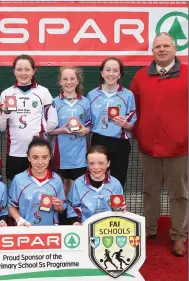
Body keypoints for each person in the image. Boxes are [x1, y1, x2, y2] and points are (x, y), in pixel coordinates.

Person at [130, 32, 188, 257]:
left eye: (166, 46)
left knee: (180, 194)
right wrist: (140, 133)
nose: (162, 50)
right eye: (157, 47)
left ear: (175, 49)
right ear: (152, 51)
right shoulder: (140, 76)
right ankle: (149, 230)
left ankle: (179, 236)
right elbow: (133, 109)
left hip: (180, 147)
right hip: (148, 148)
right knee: (150, 191)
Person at [0, 54, 58, 181]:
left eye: (27, 69)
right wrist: (6, 113)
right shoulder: (6, 94)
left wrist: (40, 132)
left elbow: (53, 121)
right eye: (19, 69)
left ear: (33, 70)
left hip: (38, 154)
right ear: (14, 71)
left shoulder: (43, 92)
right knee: (15, 190)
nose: (23, 73)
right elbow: (2, 128)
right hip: (15, 152)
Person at [87, 57, 137, 187]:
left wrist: (125, 124)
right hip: (98, 141)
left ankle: (116, 207)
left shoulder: (128, 95)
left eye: (115, 70)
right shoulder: (92, 95)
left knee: (118, 181)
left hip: (120, 142)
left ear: (120, 74)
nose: (111, 74)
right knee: (96, 179)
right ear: (102, 72)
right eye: (107, 70)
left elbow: (132, 123)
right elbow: (88, 121)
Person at [49, 66, 91, 197]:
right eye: (65, 79)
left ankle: (75, 216)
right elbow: (49, 130)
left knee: (76, 191)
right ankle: (62, 217)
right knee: (62, 191)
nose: (69, 82)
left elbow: (91, 125)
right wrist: (61, 130)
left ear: (77, 81)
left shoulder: (85, 102)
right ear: (60, 82)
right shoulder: (53, 103)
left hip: (79, 156)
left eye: (72, 78)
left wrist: (85, 130)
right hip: (60, 155)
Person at [8, 137, 65, 226]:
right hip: (25, 231)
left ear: (50, 157)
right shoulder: (18, 180)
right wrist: (19, 220)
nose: (40, 162)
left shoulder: (56, 179)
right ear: (29, 158)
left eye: (44, 157)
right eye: (35, 157)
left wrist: (60, 207)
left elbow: (62, 207)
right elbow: (11, 206)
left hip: (50, 231)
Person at [67, 145, 125, 224]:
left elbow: (118, 210)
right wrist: (75, 222)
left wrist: (121, 210)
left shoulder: (115, 184)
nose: (96, 167)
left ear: (108, 163)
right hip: (85, 228)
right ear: (87, 164)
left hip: (108, 229)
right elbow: (72, 209)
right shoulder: (78, 183)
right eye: (91, 163)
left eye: (101, 163)